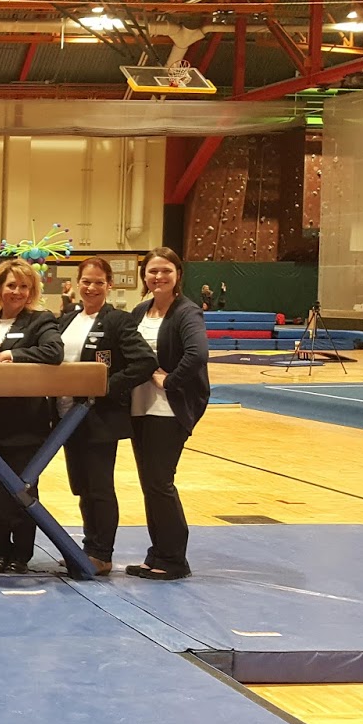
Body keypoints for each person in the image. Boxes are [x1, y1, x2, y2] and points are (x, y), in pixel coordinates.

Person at [56, 257, 157, 577]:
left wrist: (105, 387)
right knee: (82, 486)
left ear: (109, 285)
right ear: (77, 283)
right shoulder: (66, 320)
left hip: (98, 418)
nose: (91, 287)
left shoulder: (118, 321)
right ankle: (89, 547)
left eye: (99, 282)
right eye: (86, 281)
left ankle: (102, 553)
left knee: (99, 486)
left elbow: (144, 362)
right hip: (66, 417)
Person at [128, 247, 209, 581]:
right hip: (140, 407)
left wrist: (170, 381)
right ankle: (158, 553)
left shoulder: (187, 312)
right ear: (144, 276)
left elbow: (198, 354)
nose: (158, 277)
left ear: (178, 275)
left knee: (160, 483)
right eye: (152, 271)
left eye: (165, 271)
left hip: (168, 410)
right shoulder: (139, 311)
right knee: (150, 484)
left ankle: (174, 558)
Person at [0, 258, 62, 574]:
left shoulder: (40, 321)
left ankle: (21, 553)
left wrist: (15, 354)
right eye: (11, 285)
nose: (17, 292)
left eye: (24, 286)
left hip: (25, 422)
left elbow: (53, 351)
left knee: (22, 490)